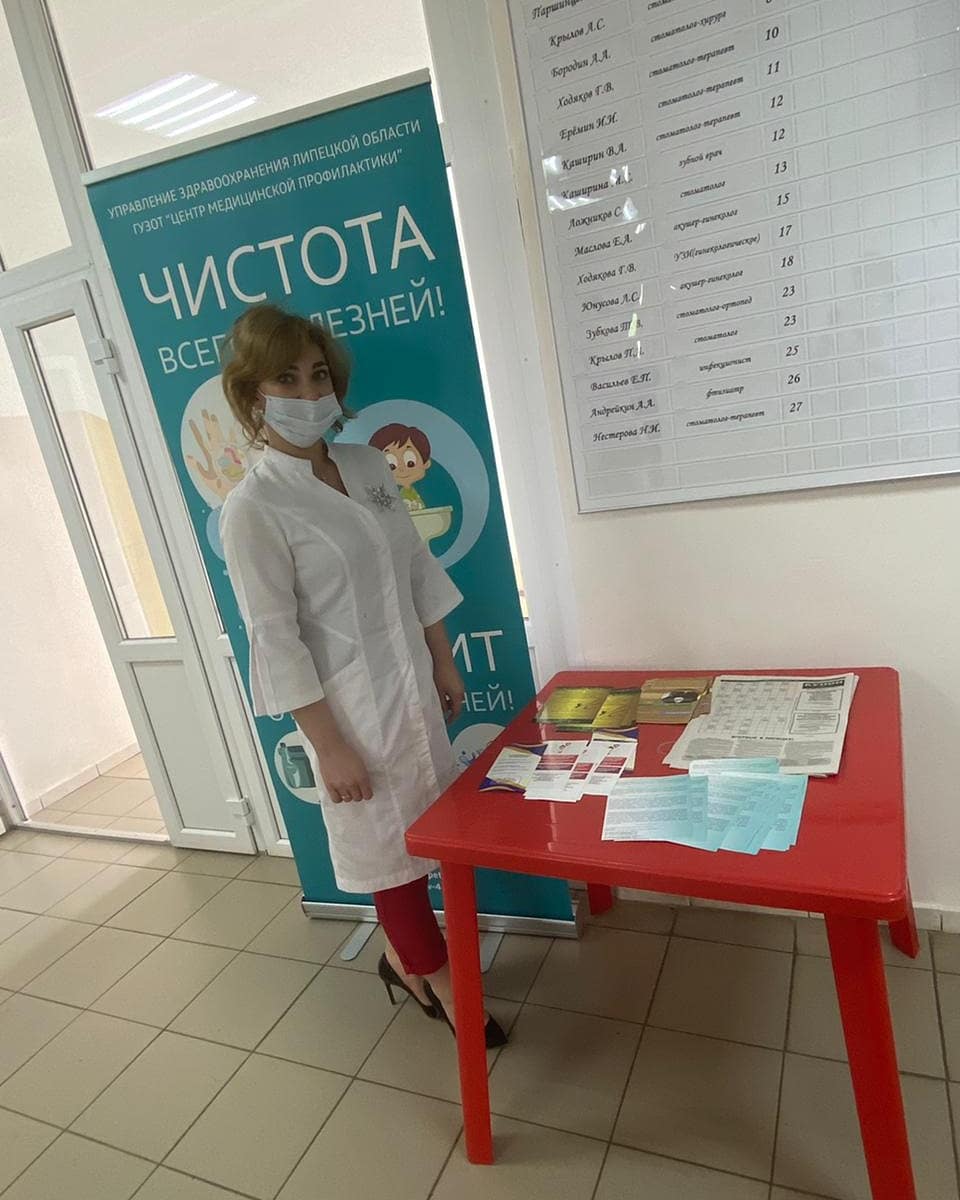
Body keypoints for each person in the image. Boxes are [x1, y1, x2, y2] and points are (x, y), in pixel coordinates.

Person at [219, 304, 505, 1046]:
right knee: (387, 852)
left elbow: (414, 564)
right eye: (286, 378)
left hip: (411, 683)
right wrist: (329, 745)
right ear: (252, 393)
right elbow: (274, 638)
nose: (309, 393)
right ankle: (434, 976)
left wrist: (442, 658)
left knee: (430, 831)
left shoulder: (368, 465)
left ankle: (403, 957)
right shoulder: (254, 508)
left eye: (318, 375)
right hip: (347, 710)